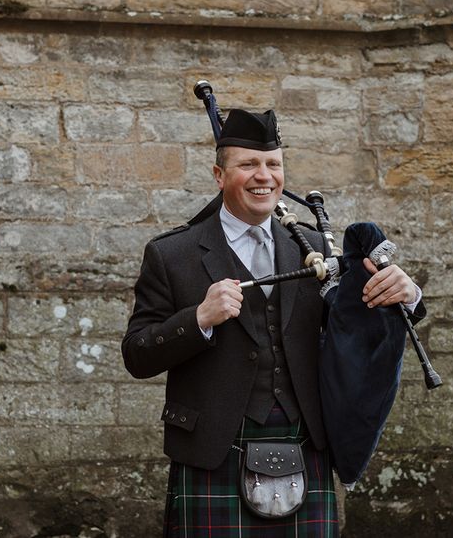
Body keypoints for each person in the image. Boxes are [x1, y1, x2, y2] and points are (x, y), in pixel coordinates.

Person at [122, 108, 422, 536]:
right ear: (219, 174)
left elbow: (359, 322)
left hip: (305, 442)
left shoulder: (315, 247)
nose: (263, 176)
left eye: (273, 164)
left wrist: (407, 294)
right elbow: (137, 354)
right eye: (248, 164)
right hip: (214, 450)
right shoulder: (174, 254)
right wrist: (199, 318)